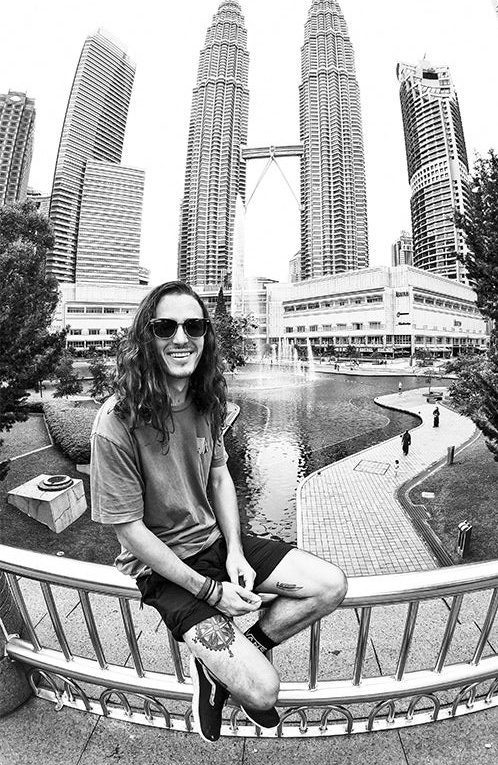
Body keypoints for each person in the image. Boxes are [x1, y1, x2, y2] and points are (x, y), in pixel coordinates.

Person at [90, 281, 347, 743]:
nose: (180, 337)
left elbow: (220, 477)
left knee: (330, 586)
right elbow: (128, 531)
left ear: (206, 335)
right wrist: (211, 593)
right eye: (165, 326)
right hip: (163, 569)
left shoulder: (207, 401)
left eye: (194, 326)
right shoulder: (116, 421)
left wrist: (234, 551)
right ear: (145, 337)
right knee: (264, 692)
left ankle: (225, 663)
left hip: (213, 543)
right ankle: (226, 667)